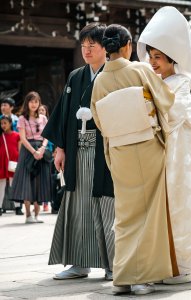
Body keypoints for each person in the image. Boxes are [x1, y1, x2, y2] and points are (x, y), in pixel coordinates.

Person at [91, 24, 176, 295]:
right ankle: (141, 277)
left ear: (106, 48)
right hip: (146, 146)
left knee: (126, 215)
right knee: (150, 213)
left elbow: (99, 119)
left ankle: (123, 277)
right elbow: (165, 100)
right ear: (127, 45)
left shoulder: (100, 80)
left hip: (119, 149)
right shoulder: (139, 70)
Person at [137, 6, 191, 285]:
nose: (153, 62)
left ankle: (180, 265)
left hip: (175, 158)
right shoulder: (157, 82)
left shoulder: (180, 83)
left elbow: (177, 115)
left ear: (172, 59)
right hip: (161, 156)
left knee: (178, 206)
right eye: (151, 57)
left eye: (158, 57)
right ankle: (162, 263)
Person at [42, 23, 115, 281]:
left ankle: (113, 264)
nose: (86, 50)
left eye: (91, 46)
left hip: (104, 151)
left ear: (105, 47)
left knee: (106, 204)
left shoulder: (114, 75)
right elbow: (62, 115)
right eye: (83, 46)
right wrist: (60, 148)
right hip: (76, 150)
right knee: (78, 205)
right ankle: (79, 263)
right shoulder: (76, 77)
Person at [11, 91, 51, 223]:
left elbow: (47, 135)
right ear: (27, 103)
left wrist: (42, 148)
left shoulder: (44, 118)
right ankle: (28, 215)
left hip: (41, 150)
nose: (34, 104)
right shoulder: (22, 119)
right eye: (31, 101)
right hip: (28, 150)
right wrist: (34, 152)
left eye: (36, 101)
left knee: (40, 182)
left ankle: (37, 214)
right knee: (26, 181)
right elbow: (22, 138)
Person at [0, 115, 20, 216]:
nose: (3, 125)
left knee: (14, 185)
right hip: (1, 163)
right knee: (1, 186)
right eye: (1, 123)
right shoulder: (0, 136)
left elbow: (20, 149)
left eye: (5, 123)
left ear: (10, 123)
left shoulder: (17, 135)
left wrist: (20, 161)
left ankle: (18, 207)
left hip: (13, 162)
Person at [38, 104, 53, 212]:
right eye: (39, 110)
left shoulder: (49, 123)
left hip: (48, 153)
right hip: (37, 151)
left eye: (43, 110)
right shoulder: (35, 122)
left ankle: (46, 203)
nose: (41, 111)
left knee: (47, 178)